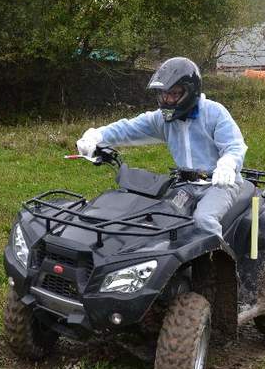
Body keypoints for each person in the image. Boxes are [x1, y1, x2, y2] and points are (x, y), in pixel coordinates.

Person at [76, 57, 247, 237]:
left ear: (190, 92)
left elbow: (234, 146)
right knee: (163, 218)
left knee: (203, 220)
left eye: (174, 94)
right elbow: (128, 128)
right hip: (187, 184)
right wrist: (97, 136)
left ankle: (218, 263)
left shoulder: (214, 113)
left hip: (220, 183)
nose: (168, 100)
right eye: (164, 94)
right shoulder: (162, 119)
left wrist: (228, 164)